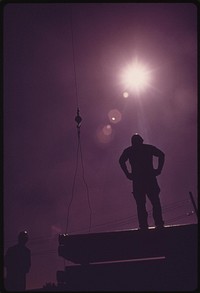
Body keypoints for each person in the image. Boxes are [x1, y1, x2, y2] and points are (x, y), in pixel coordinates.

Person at [119, 133, 165, 230]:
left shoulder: (130, 151)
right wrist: (158, 169)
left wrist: (128, 174)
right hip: (149, 179)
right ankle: (158, 223)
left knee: (141, 204)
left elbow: (121, 160)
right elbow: (161, 154)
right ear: (141, 141)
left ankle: (144, 225)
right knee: (154, 202)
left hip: (139, 180)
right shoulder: (148, 148)